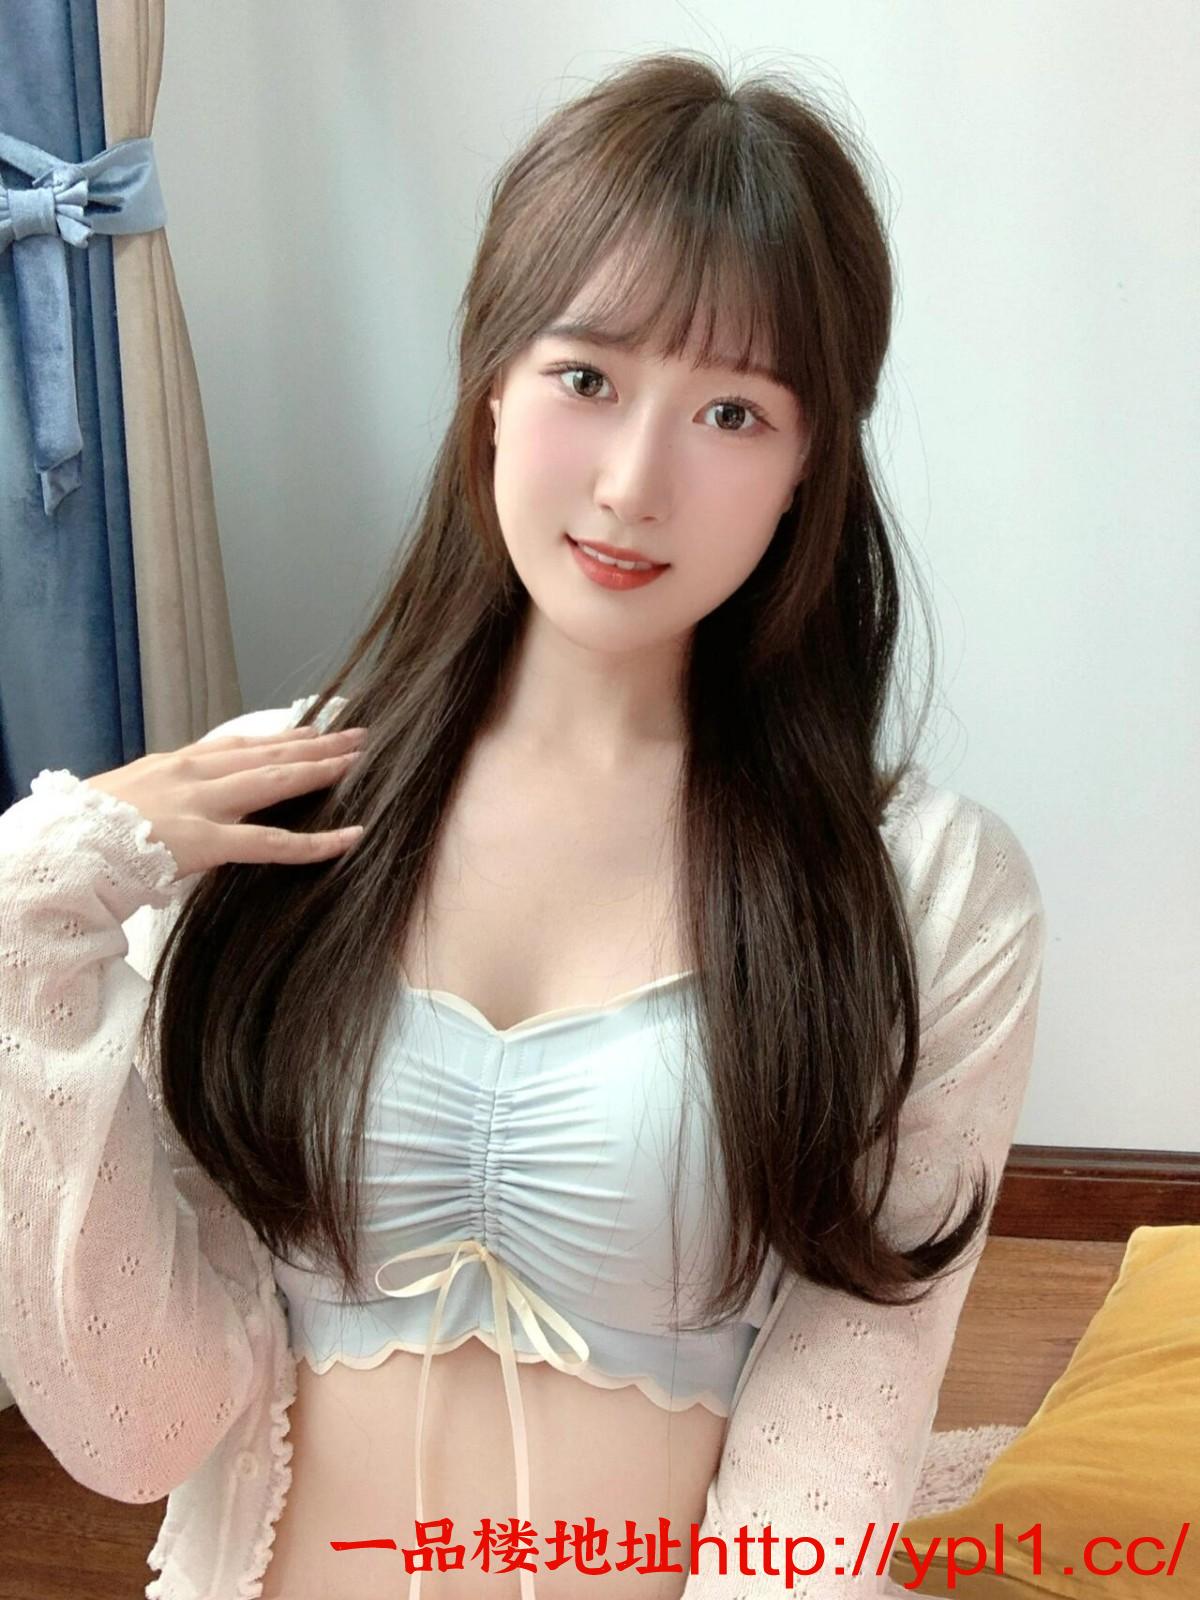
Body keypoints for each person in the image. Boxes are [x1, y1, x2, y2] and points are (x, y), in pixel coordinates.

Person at [0, 48, 1046, 1600]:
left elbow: (839, 1434)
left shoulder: (926, 893)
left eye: (733, 412)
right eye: (587, 378)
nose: (631, 484)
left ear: (809, 464)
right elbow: (136, 1423)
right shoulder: (258, 810)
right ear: (492, 379)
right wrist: (37, 912)